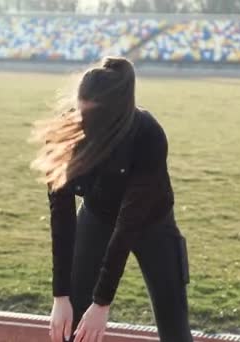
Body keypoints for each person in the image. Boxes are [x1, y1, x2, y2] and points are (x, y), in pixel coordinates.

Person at [31, 56, 193, 342]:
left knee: (175, 330)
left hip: (151, 223)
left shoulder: (148, 135)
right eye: (81, 113)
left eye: (92, 117)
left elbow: (128, 225)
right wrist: (61, 295)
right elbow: (62, 216)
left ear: (115, 116)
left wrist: (102, 303)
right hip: (97, 216)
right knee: (71, 322)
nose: (84, 123)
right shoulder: (67, 135)